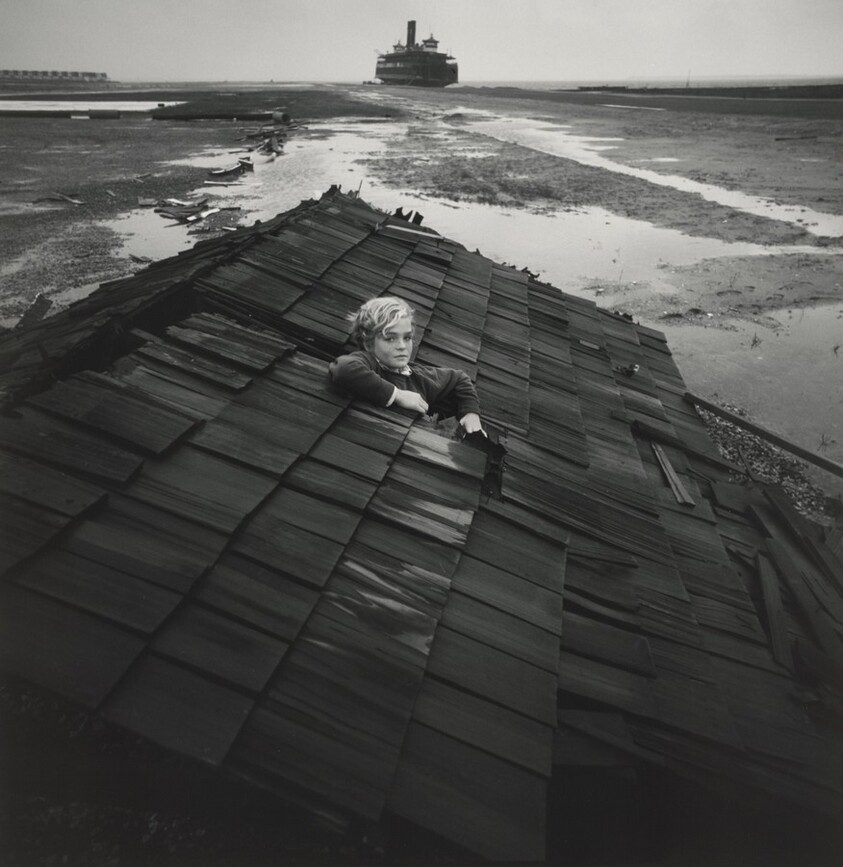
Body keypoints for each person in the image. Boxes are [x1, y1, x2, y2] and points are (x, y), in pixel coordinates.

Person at [329, 296, 484, 434]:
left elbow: (460, 379)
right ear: (368, 343)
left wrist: (471, 414)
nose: (402, 346)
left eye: (407, 337)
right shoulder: (369, 362)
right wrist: (397, 395)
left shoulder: (419, 378)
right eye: (390, 338)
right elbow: (343, 368)